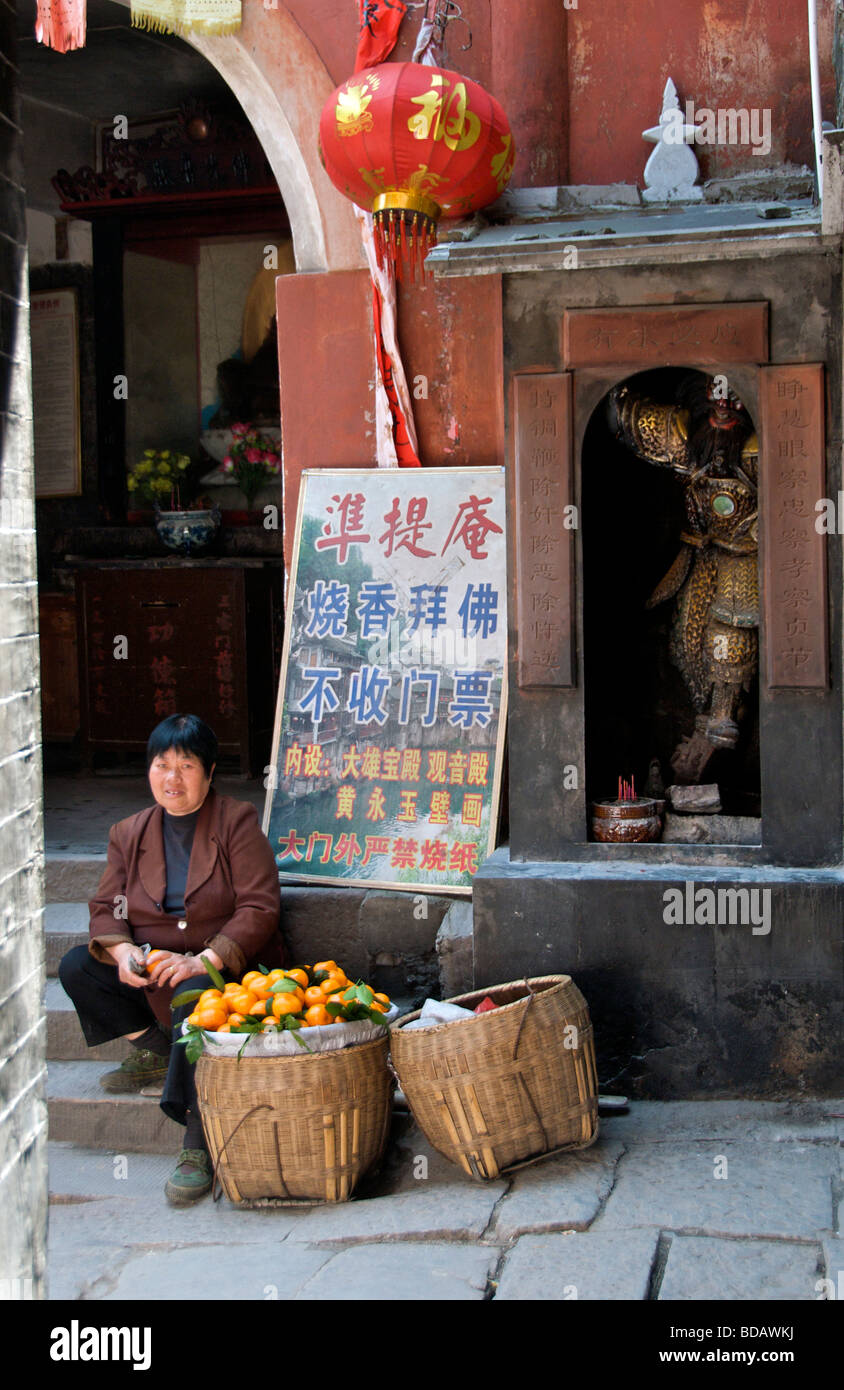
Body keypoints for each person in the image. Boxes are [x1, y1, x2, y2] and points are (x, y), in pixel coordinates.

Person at [59, 714, 284, 1205]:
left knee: (192, 993)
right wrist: (123, 954)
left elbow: (258, 905)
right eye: (162, 765)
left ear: (208, 772)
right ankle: (159, 1051)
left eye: (186, 765)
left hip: (221, 969)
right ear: (149, 771)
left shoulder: (237, 821)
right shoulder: (129, 832)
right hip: (153, 964)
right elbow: (107, 908)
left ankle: (195, 1142)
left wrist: (204, 959)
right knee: (78, 966)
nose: (172, 778)